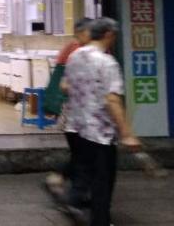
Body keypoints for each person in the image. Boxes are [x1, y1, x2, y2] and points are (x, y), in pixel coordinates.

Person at [63, 17, 141, 226]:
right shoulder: (107, 62)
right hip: (101, 133)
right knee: (102, 182)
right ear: (108, 34)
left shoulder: (75, 56)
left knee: (84, 172)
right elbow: (112, 99)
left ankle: (76, 205)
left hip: (78, 128)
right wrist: (127, 133)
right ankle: (100, 221)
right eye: (114, 35)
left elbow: (66, 86)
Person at [45, 17, 93, 195]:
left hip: (74, 112)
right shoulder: (80, 52)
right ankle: (75, 191)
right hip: (79, 113)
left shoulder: (74, 48)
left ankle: (67, 183)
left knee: (81, 154)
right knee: (84, 154)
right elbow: (65, 84)